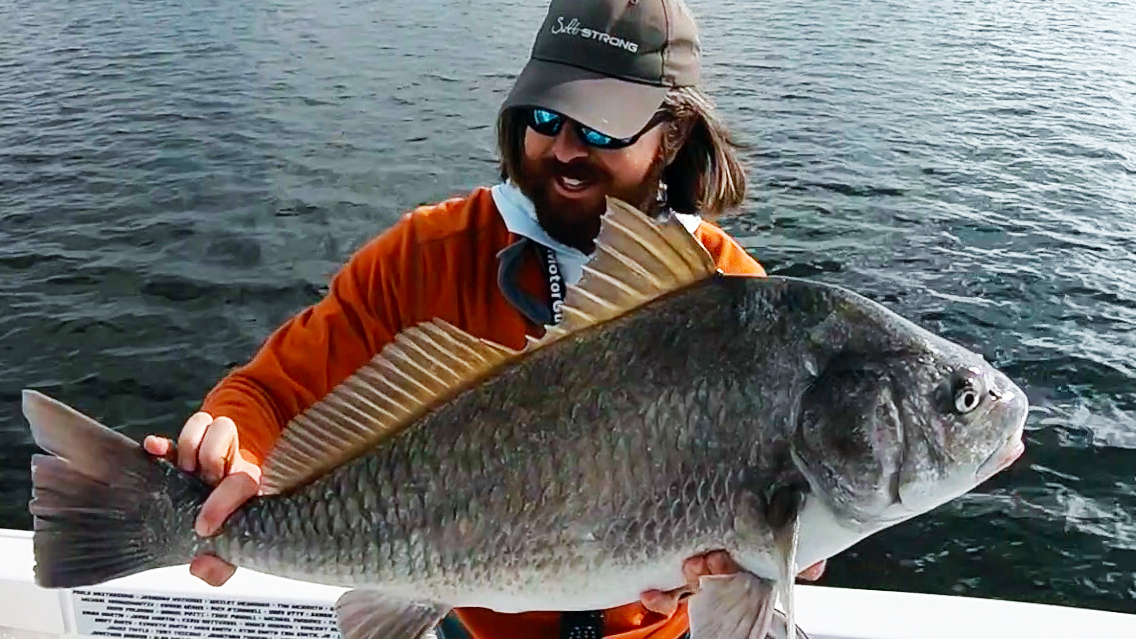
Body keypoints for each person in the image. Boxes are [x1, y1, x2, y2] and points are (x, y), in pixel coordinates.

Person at [143, 0, 825, 637]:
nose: (563, 151)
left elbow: (786, 528)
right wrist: (234, 445)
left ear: (672, 137)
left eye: (599, 128)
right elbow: (267, 393)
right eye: (546, 119)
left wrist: (780, 553)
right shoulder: (427, 254)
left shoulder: (732, 301)